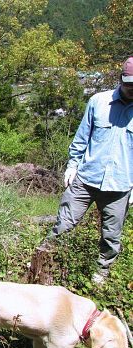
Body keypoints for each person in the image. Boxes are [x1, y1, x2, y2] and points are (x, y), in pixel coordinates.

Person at [42, 56, 133, 284]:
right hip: (86, 178)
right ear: (121, 79)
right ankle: (43, 260)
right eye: (129, 84)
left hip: (119, 186)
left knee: (111, 236)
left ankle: (100, 274)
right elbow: (82, 137)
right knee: (64, 224)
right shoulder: (98, 102)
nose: (132, 89)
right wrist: (72, 165)